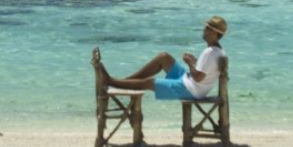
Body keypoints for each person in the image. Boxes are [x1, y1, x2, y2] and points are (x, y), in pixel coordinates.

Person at [97, 16, 228, 100]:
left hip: (190, 90)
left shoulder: (210, 52)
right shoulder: (218, 51)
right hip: (189, 82)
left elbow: (198, 77)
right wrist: (195, 62)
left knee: (150, 83)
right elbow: (203, 73)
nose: (204, 30)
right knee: (163, 57)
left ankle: (111, 82)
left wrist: (189, 63)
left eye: (207, 28)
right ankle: (126, 81)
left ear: (215, 33)